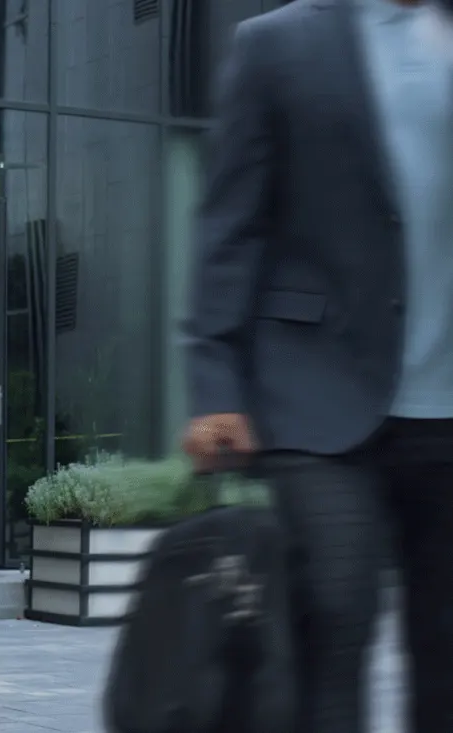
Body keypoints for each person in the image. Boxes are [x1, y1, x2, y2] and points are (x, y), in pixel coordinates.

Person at [182, 1, 453, 731]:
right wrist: (213, 382)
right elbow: (230, 228)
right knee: (336, 614)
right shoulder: (278, 44)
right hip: (315, 391)